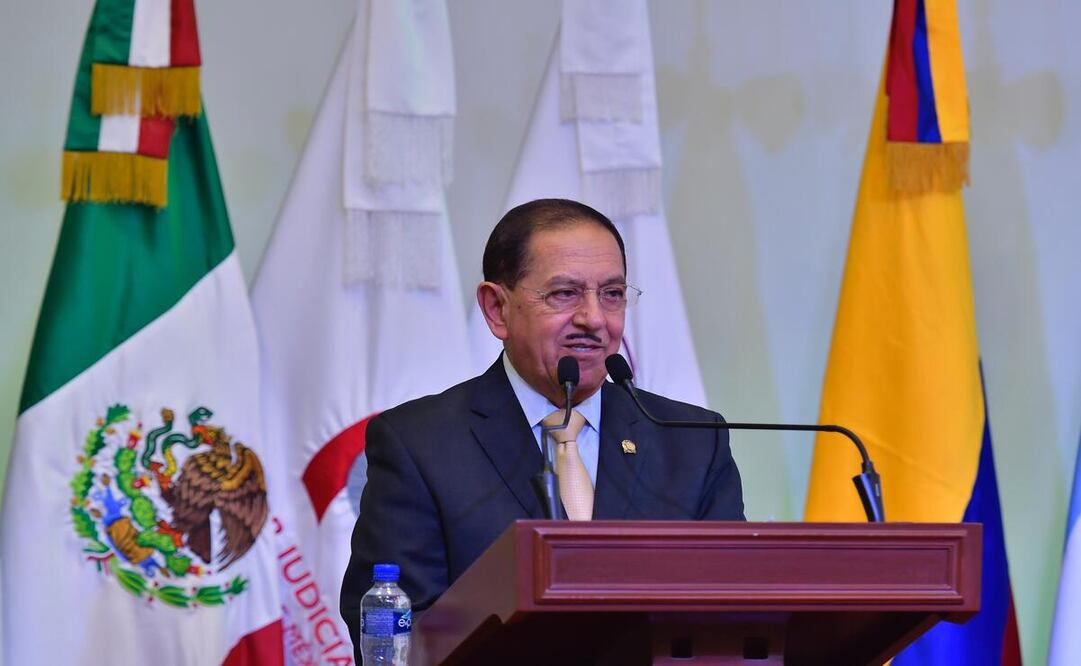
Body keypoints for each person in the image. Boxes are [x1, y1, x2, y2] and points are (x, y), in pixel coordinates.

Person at [339, 198, 744, 653]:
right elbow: (395, 634)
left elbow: (733, 615)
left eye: (612, 294)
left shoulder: (691, 442)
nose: (594, 318)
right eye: (564, 294)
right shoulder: (419, 443)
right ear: (497, 309)